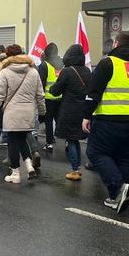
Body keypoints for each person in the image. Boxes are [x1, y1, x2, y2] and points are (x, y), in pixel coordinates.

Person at [83, 31, 129, 212]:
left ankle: (118, 189)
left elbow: (94, 92)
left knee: (95, 153)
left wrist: (86, 115)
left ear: (116, 44)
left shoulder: (108, 63)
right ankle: (121, 196)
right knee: (123, 157)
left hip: (109, 118)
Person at [0, 45, 46, 183]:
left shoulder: (5, 72)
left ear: (8, 56)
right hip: (28, 113)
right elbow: (40, 96)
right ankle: (29, 167)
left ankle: (15, 173)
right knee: (22, 139)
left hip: (12, 113)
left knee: (12, 142)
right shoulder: (33, 72)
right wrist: (42, 112)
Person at [49, 44, 91, 181]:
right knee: (75, 139)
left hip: (69, 110)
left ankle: (75, 169)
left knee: (71, 140)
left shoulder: (67, 71)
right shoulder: (87, 71)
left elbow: (55, 91)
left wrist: (54, 85)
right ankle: (77, 167)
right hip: (83, 110)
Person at [38, 42, 63, 151]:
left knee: (48, 120)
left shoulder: (45, 65)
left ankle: (49, 143)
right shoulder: (61, 64)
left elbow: (41, 83)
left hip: (48, 98)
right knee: (59, 120)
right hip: (59, 97)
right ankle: (67, 141)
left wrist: (39, 97)